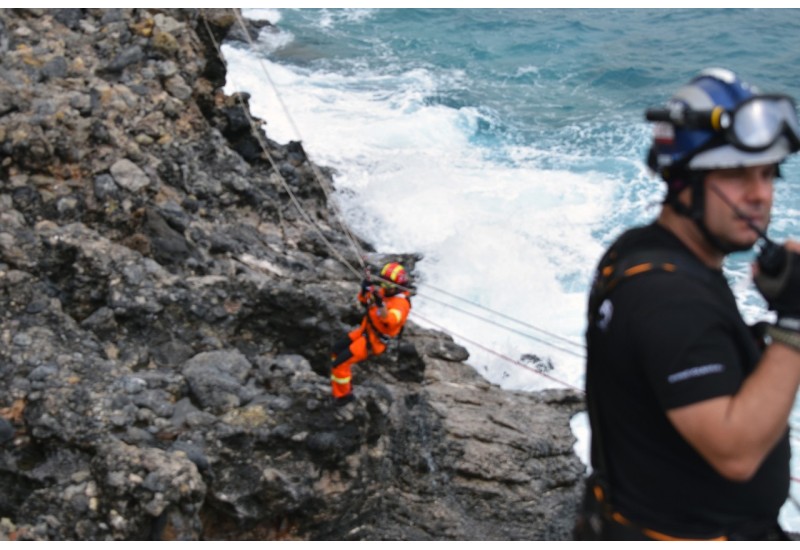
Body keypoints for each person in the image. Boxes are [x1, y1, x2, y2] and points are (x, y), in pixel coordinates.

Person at [576, 68, 800, 540]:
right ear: (683, 180)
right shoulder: (669, 299)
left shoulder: (637, 250)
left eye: (767, 174)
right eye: (736, 175)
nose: (760, 195)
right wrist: (794, 323)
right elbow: (735, 451)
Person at [330, 262, 412, 406]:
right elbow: (365, 301)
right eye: (382, 284)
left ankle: (344, 396)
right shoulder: (384, 293)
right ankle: (343, 383)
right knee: (336, 350)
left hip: (372, 341)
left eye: (387, 286)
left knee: (339, 365)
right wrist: (365, 289)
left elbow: (391, 320)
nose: (383, 288)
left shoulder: (401, 304)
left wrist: (381, 305)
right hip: (363, 332)